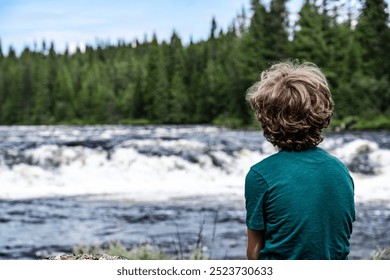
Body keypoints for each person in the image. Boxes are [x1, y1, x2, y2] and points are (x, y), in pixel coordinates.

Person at [245, 61, 355, 260]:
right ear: (322, 113)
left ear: (266, 118)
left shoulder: (260, 176)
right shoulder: (341, 170)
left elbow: (253, 255)